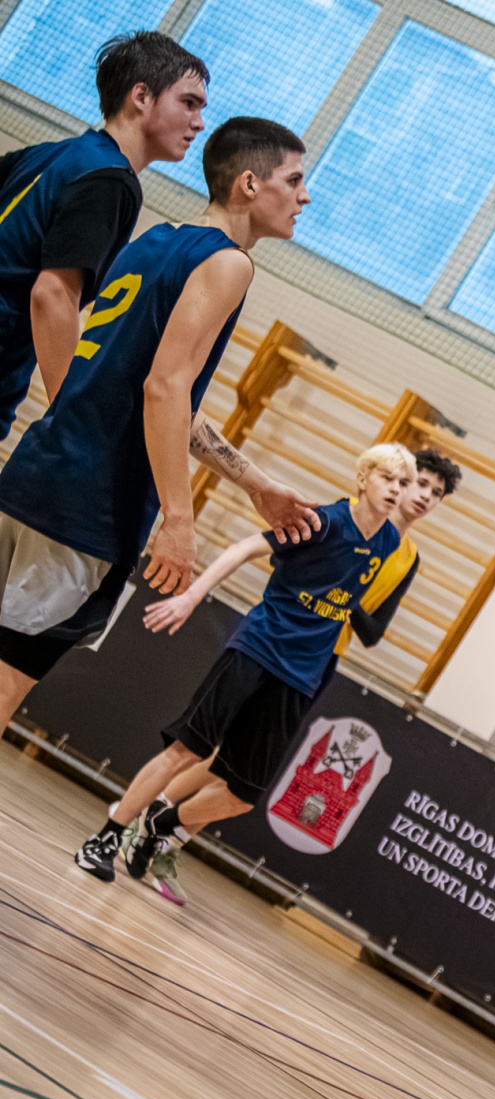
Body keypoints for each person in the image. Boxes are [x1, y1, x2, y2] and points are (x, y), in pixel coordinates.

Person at [0, 116, 319, 731]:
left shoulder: (154, 241)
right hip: (87, 509)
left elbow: (162, 398)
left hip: (34, 472)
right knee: (8, 678)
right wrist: (179, 517)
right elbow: (164, 389)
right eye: (295, 180)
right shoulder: (228, 264)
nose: (304, 197)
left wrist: (254, 483)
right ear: (249, 184)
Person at [110, 446, 459, 902]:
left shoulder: (402, 553)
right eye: (418, 483)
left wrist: (342, 595)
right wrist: (331, 584)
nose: (422, 495)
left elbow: (373, 630)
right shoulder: (341, 521)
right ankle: (144, 816)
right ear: (383, 479)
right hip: (277, 641)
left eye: (435, 492)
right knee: (205, 751)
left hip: (318, 660)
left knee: (241, 773)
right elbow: (283, 558)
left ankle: (167, 838)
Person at [0, 31, 207, 436]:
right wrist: (66, 420)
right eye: (188, 103)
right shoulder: (110, 181)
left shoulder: (56, 153)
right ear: (141, 96)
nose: (198, 123)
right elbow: (53, 294)